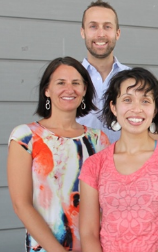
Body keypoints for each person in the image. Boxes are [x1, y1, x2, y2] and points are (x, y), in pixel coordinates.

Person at [79, 67, 158, 252]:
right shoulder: (94, 165)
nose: (136, 109)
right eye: (127, 100)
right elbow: (88, 232)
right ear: (114, 107)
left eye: (145, 101)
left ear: (155, 109)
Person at [7, 56, 109, 252]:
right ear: (47, 90)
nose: (69, 89)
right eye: (61, 82)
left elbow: (105, 203)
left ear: (84, 90)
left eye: (76, 83)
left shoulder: (99, 140)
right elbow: (22, 205)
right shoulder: (25, 137)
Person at [77, 0, 130, 143]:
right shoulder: (71, 79)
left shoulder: (133, 79)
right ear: (83, 32)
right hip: (80, 162)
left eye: (107, 26)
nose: (101, 34)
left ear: (117, 33)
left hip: (123, 164)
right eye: (93, 26)